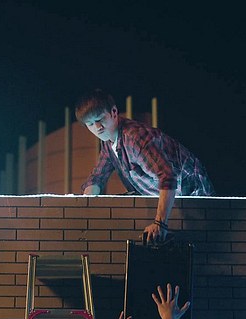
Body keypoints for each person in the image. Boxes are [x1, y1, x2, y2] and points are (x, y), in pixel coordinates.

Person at [75, 89, 215, 243]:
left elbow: (167, 176)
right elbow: (97, 178)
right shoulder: (108, 143)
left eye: (100, 119)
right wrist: (84, 210)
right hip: (172, 202)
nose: (97, 127)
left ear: (114, 112)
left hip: (194, 201)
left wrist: (160, 224)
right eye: (90, 124)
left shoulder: (135, 138)